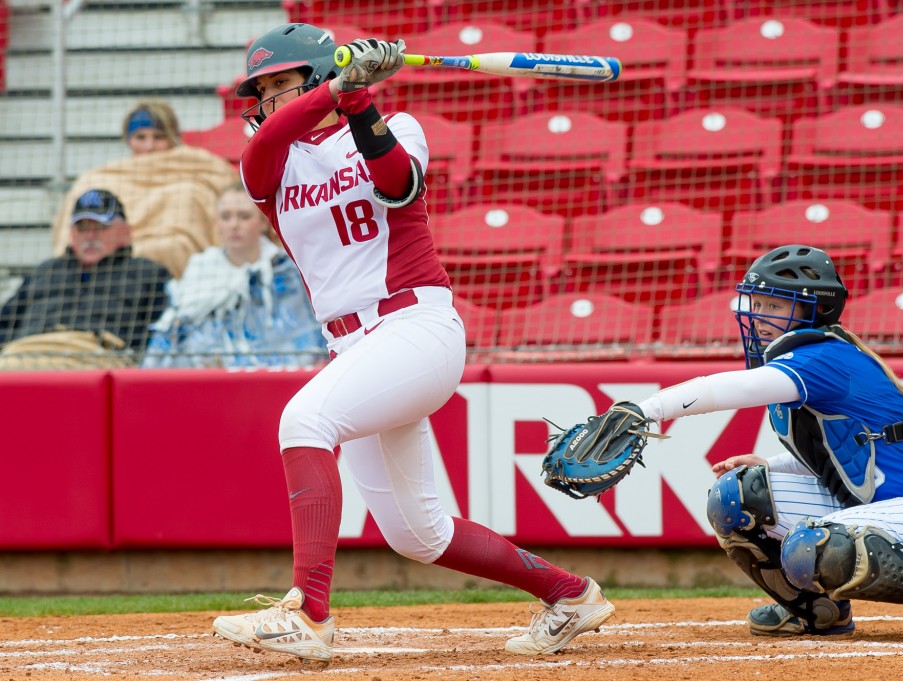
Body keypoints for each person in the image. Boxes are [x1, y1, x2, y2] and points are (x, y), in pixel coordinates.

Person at [209, 23, 614, 663]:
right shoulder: (269, 156)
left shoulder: (400, 126)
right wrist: (336, 89)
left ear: (311, 77)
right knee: (415, 534)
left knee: (303, 419)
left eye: (279, 85)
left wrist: (360, 101)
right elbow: (270, 149)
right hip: (355, 348)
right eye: (260, 89)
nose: (263, 101)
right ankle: (571, 595)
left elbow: (399, 185)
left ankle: (308, 614)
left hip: (415, 329)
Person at [618, 244, 903, 640]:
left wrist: (645, 409)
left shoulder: (823, 356)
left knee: (812, 543)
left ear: (814, 308)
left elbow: (732, 388)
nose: (758, 317)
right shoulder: (805, 359)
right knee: (737, 495)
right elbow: (848, 454)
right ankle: (815, 610)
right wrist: (771, 465)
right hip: (878, 507)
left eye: (774, 306)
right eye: (757, 303)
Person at [50, 99, 240, 278]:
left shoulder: (199, 167)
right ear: (128, 140)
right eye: (140, 137)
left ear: (173, 139)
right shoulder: (102, 177)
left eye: (158, 137)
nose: (149, 147)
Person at [143, 183, 324, 368]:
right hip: (210, 376)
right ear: (216, 223)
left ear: (263, 222)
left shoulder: (287, 269)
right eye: (225, 217)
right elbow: (175, 331)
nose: (234, 225)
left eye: (244, 217)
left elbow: (309, 331)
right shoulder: (201, 268)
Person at [0, 189, 171, 369]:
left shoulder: (148, 272)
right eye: (82, 227)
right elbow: (4, 324)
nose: (90, 236)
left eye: (100, 227)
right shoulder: (44, 271)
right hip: (25, 353)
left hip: (96, 357)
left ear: (125, 232)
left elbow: (163, 333)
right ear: (71, 233)